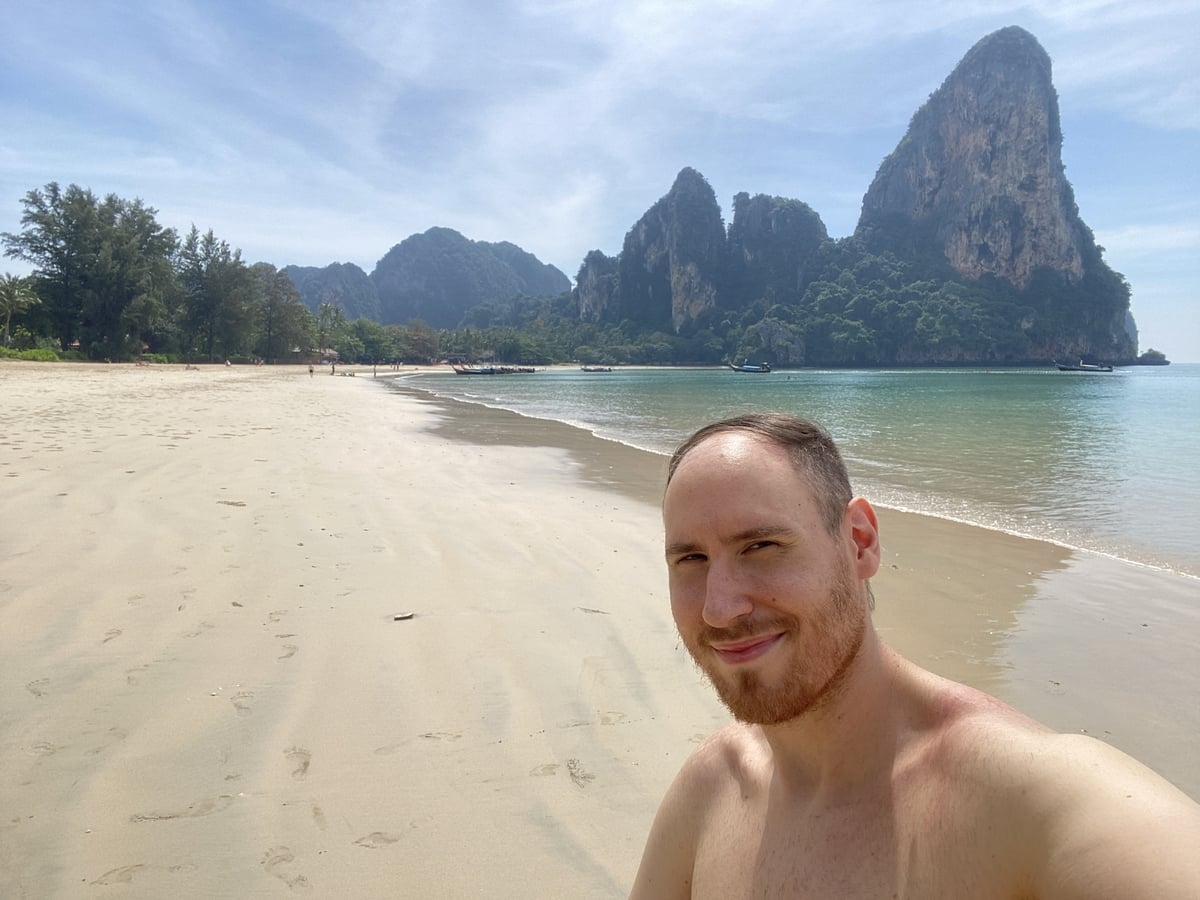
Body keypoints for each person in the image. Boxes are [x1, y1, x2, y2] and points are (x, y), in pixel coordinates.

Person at [630, 412, 1200, 899]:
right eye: (690, 560)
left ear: (859, 542)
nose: (719, 608)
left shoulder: (1028, 799)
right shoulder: (714, 785)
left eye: (761, 546)